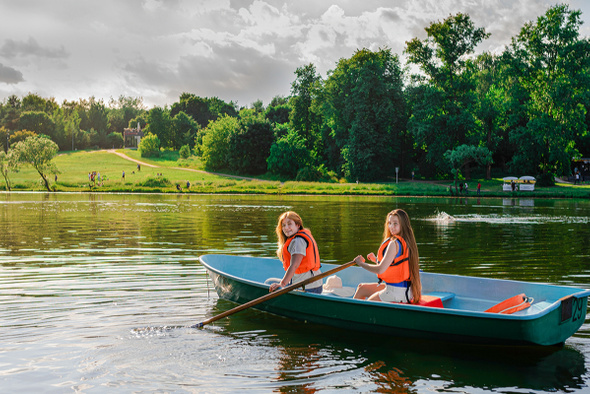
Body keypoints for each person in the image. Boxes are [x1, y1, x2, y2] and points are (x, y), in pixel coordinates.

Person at [353, 209, 422, 303]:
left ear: (403, 225)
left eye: (395, 223)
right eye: (389, 223)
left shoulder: (394, 243)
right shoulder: (408, 242)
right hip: (407, 292)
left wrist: (360, 263)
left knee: (367, 304)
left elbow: (380, 270)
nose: (391, 227)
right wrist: (376, 260)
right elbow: (397, 265)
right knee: (362, 288)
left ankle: (354, 316)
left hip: (394, 293)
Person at [268, 211, 322, 294]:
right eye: (284, 225)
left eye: (289, 224)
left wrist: (282, 284)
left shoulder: (298, 241)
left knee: (268, 283)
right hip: (313, 285)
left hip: (308, 288)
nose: (286, 228)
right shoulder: (297, 237)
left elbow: (294, 265)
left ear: (298, 225)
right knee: (270, 281)